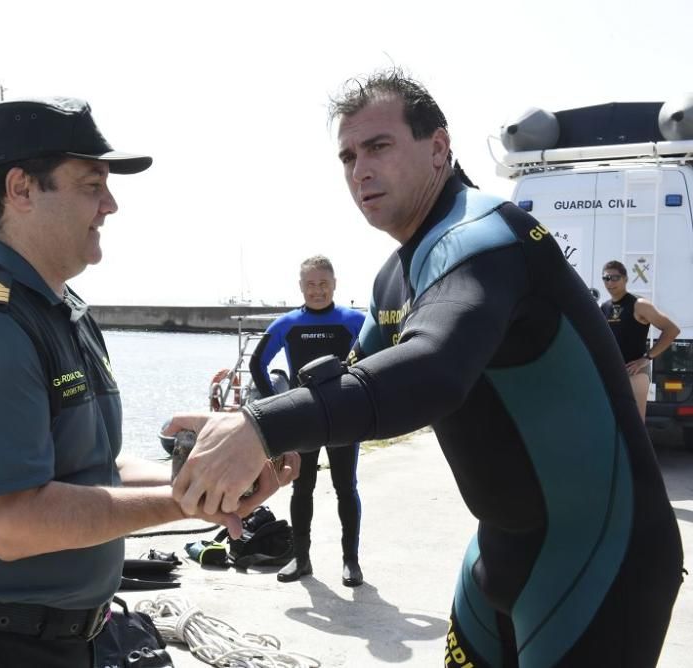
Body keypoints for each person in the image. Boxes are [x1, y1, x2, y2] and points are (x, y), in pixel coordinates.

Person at [168, 70, 683, 667]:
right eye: (347, 155)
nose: (359, 169)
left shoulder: (486, 236)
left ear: (438, 148)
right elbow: (358, 379)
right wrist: (264, 440)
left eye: (379, 146)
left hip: (600, 559)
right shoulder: (397, 273)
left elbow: (432, 371)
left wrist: (263, 427)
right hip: (499, 551)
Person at [0, 97, 297, 668]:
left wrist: (217, 471)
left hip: (57, 639)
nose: (110, 204)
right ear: (22, 190)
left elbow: (92, 471)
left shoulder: (58, 311)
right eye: (91, 184)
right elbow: (14, 522)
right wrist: (189, 503)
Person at [249, 255, 365, 586]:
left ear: (334, 284)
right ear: (301, 287)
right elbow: (258, 363)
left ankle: (351, 561)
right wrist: (278, 401)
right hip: (304, 419)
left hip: (344, 417)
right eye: (310, 284)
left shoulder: (353, 320)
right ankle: (301, 559)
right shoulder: (287, 324)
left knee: (346, 488)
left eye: (323, 283)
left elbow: (378, 357)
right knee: (302, 488)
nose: (317, 290)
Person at [600, 259, 680, 420]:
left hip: (635, 372)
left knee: (635, 424)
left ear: (625, 279)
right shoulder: (604, 307)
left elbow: (672, 330)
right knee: (612, 422)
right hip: (612, 372)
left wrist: (646, 358)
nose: (610, 282)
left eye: (615, 277)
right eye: (606, 278)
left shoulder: (639, 305)